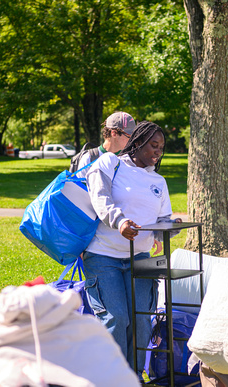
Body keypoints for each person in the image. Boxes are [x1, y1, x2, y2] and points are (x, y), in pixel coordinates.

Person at [83, 121, 181, 377]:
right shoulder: (110, 164)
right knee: (116, 319)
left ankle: (133, 377)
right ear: (137, 142)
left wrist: (171, 226)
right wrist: (120, 221)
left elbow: (160, 222)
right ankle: (110, 378)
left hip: (140, 258)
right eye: (153, 145)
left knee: (140, 321)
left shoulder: (158, 180)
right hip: (104, 256)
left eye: (161, 148)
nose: (157, 152)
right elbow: (100, 198)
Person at [69, 111, 136, 177]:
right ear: (114, 133)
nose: (132, 140)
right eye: (129, 136)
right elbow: (80, 187)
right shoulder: (89, 159)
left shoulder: (129, 159)